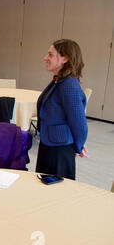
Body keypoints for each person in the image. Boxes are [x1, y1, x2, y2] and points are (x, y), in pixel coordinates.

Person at [36, 39, 89, 180]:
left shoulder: (69, 85)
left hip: (59, 149)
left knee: (58, 190)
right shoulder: (58, 80)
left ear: (65, 58)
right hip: (50, 143)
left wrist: (79, 146)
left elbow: (79, 123)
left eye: (50, 55)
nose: (45, 58)